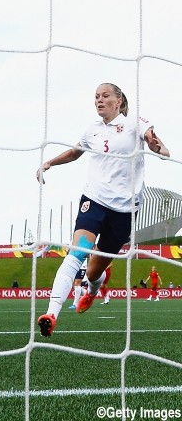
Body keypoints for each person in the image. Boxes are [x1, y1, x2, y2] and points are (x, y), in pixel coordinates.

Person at [36, 83, 169, 337]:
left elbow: (157, 143)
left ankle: (93, 291)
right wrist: (50, 162)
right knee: (76, 255)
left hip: (124, 212)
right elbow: (76, 152)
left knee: (96, 272)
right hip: (94, 201)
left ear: (118, 101)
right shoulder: (92, 131)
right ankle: (51, 314)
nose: (99, 100)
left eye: (105, 96)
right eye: (96, 96)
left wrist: (158, 148)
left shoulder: (135, 123)